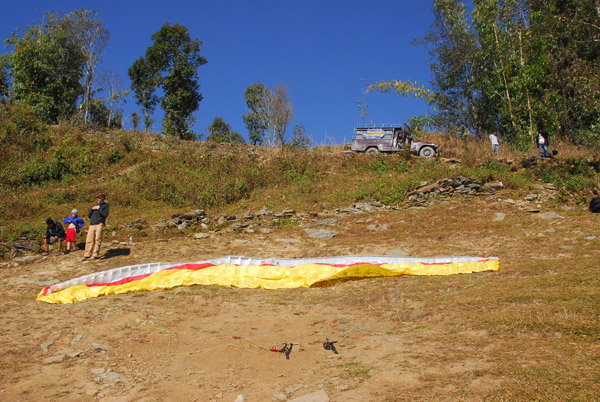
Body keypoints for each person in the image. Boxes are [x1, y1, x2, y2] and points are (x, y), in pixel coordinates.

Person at [82, 192, 109, 261]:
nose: (98, 199)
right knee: (89, 240)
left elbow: (105, 214)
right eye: (97, 198)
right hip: (92, 224)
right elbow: (89, 215)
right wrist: (92, 209)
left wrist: (99, 209)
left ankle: (95, 254)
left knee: (97, 239)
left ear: (103, 198)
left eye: (99, 197)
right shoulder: (95, 205)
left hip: (99, 224)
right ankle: (87, 254)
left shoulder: (105, 206)